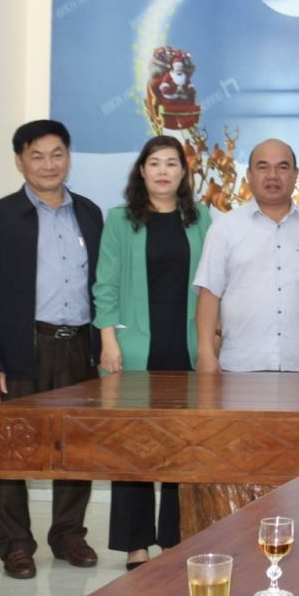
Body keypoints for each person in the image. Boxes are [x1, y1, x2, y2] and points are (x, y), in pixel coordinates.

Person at [0, 120, 103, 580]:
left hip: (79, 347)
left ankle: (68, 535)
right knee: (12, 449)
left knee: (76, 446)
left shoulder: (89, 213)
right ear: (20, 161)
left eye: (57, 154)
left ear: (68, 157)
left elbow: (102, 286)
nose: (49, 165)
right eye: (37, 156)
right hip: (22, 347)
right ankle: (15, 545)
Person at [92, 136, 212, 570]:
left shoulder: (201, 219)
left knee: (184, 445)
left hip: (186, 348)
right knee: (135, 447)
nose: (163, 171)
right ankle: (136, 543)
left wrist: (212, 340)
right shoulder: (119, 220)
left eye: (172, 163)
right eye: (155, 163)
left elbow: (212, 286)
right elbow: (105, 284)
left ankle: (177, 538)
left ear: (183, 173)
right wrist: (108, 340)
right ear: (141, 171)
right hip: (134, 348)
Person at [193, 139, 299, 374]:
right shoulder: (224, 228)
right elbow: (209, 295)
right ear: (249, 175)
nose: (272, 175)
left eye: (282, 167)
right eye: (263, 167)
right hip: (240, 365)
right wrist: (205, 353)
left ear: (295, 175)